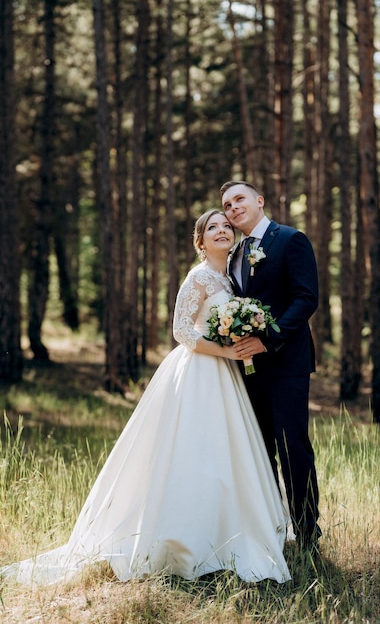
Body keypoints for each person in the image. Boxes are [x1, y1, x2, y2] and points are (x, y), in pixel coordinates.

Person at [1, 210, 291, 587]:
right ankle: (182, 538)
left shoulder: (230, 279)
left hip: (227, 374)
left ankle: (230, 531)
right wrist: (225, 353)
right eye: (211, 228)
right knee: (194, 450)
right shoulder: (199, 276)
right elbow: (181, 331)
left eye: (225, 226)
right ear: (200, 241)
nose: (221, 230)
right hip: (199, 372)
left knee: (226, 451)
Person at [221, 180, 321, 550]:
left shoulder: (291, 240)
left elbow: (306, 298)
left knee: (293, 447)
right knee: (260, 451)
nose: (233, 209)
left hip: (286, 364)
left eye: (239, 199)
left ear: (259, 201)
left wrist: (268, 338)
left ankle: (308, 532)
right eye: (228, 205)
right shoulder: (233, 254)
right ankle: (271, 531)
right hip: (246, 370)